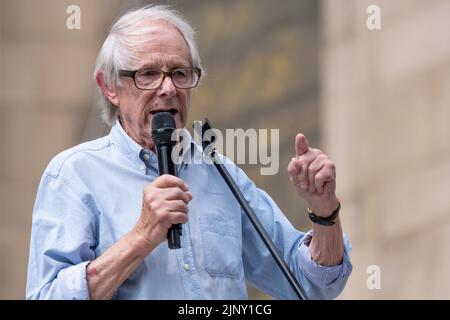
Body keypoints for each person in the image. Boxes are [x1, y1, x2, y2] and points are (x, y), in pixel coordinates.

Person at [26, 4, 352, 300]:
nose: (168, 88)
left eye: (180, 73)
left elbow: (312, 285)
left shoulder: (218, 172)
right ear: (109, 86)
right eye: (148, 74)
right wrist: (141, 237)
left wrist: (324, 212)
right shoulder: (74, 174)